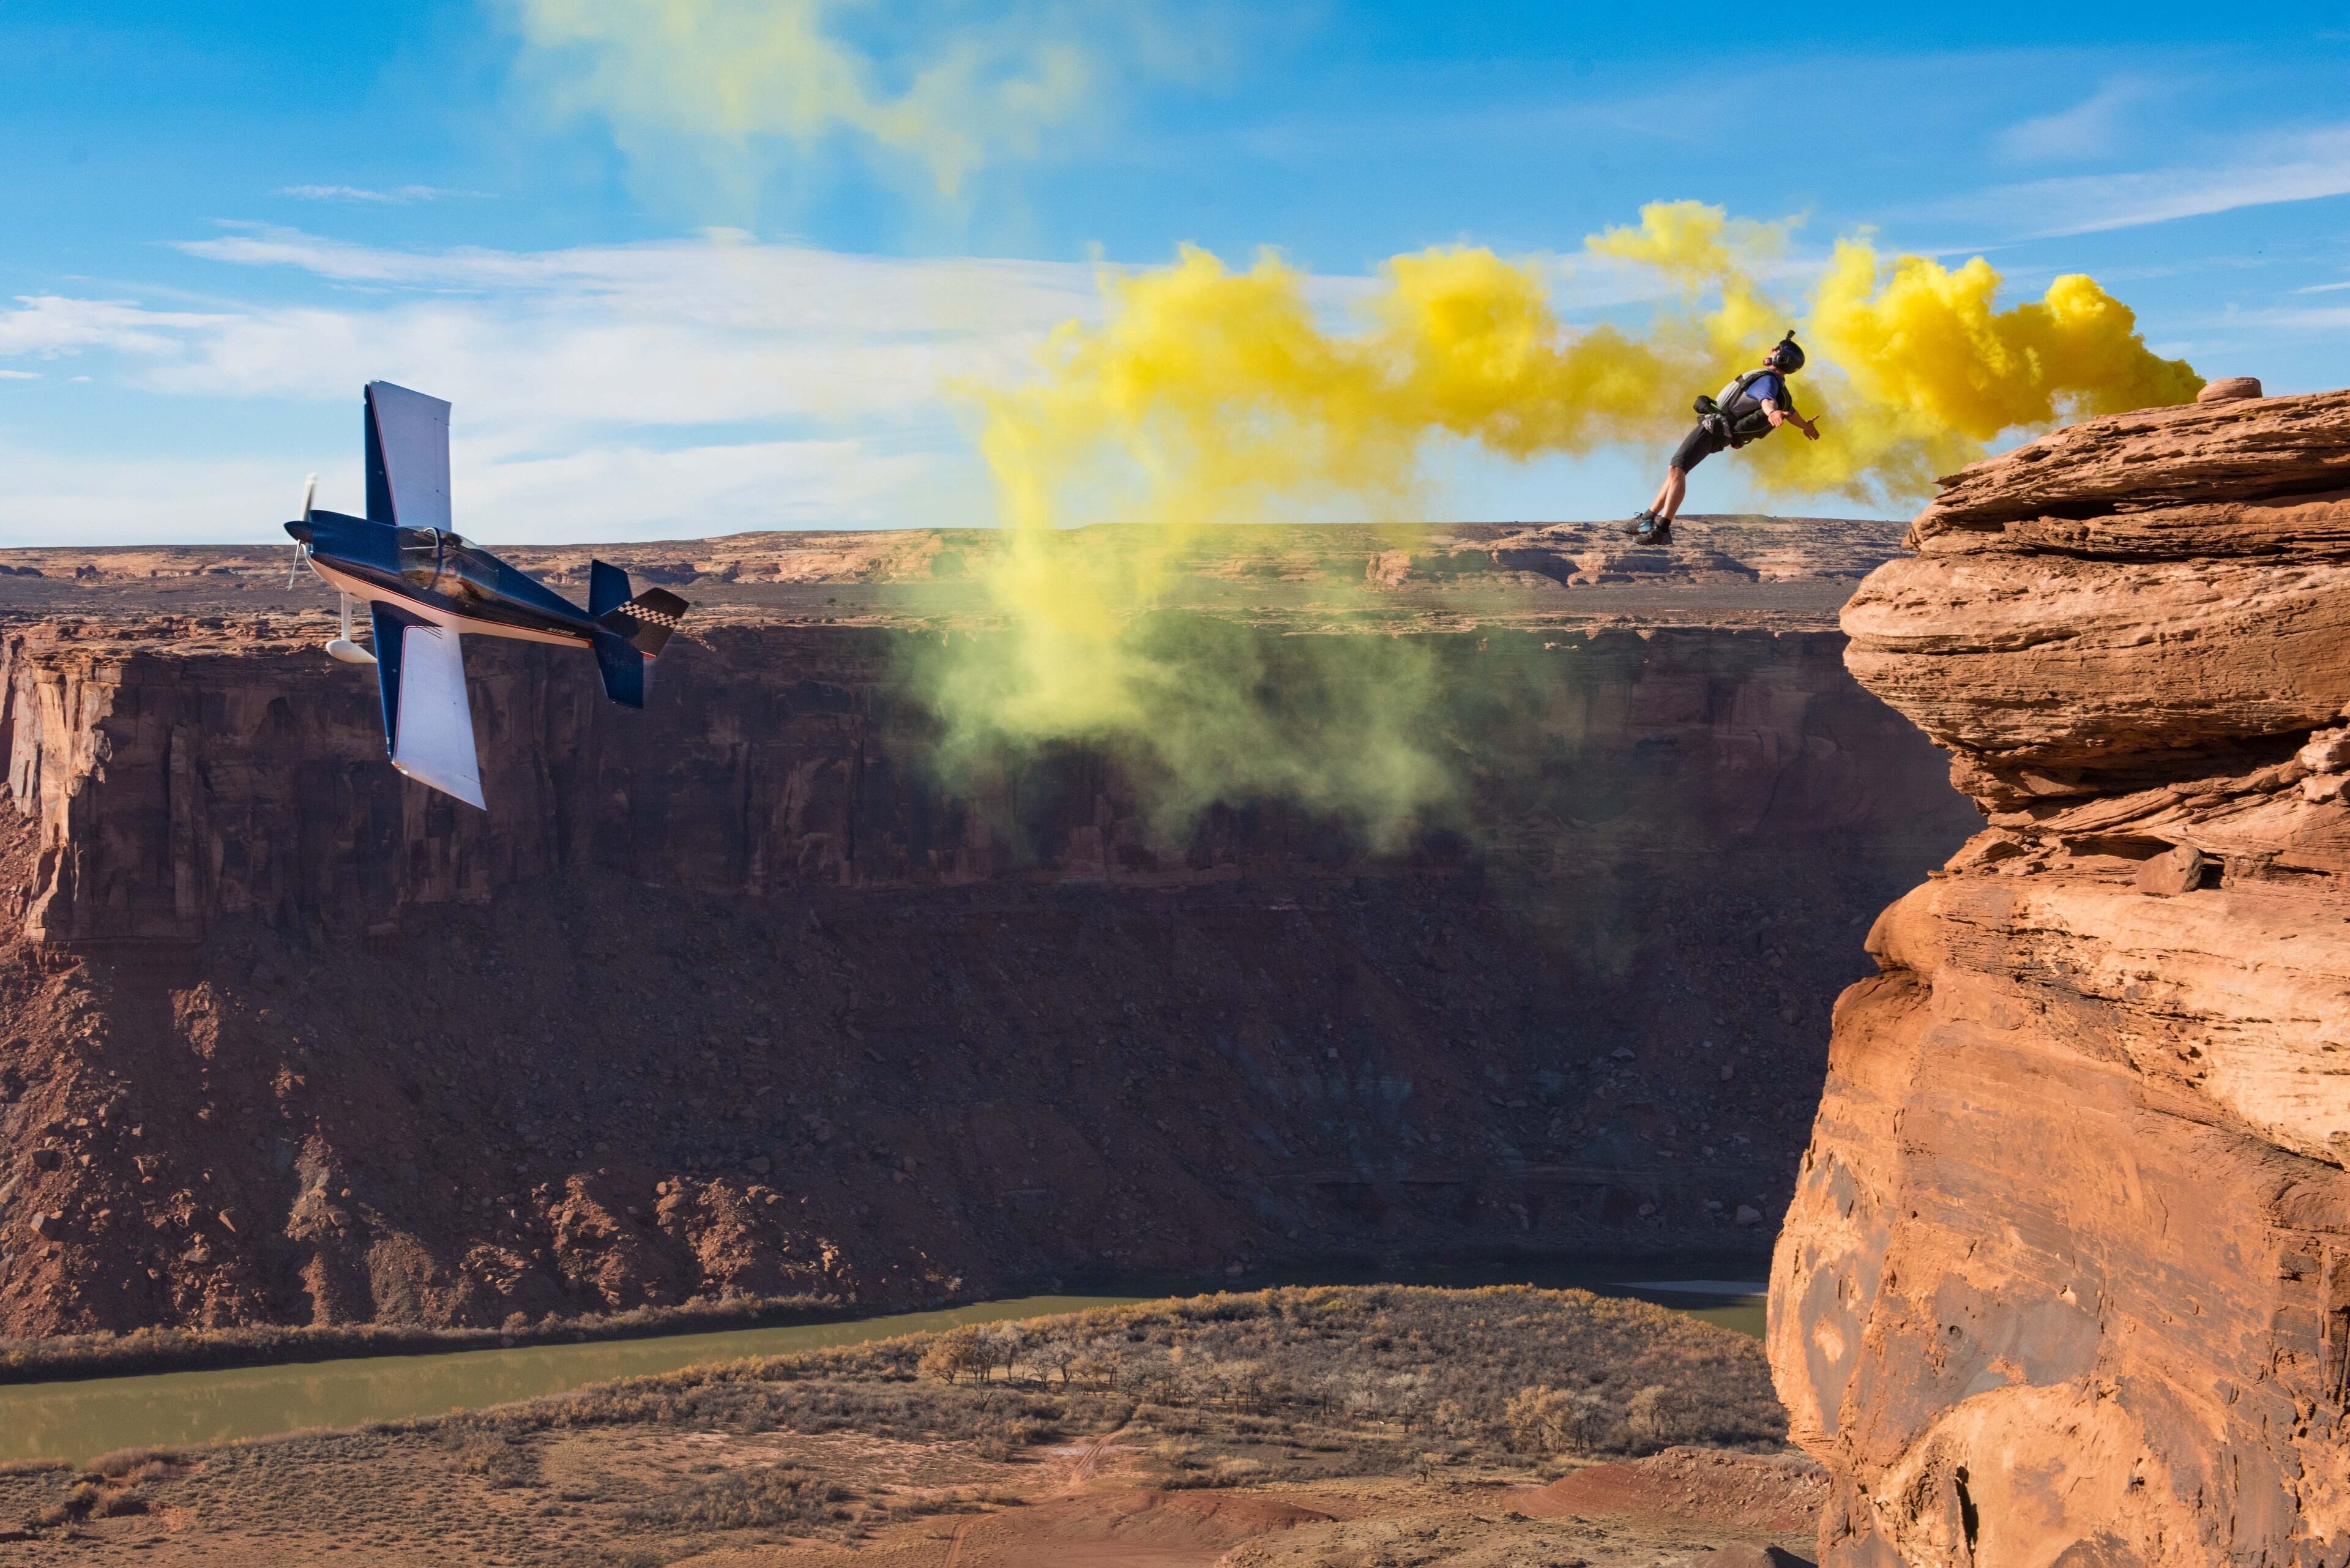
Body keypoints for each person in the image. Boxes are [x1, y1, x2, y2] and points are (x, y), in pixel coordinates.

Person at [1627, 332, 1822, 543]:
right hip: (1720, 432)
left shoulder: (1767, 380)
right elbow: (1791, 411)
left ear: (1782, 358)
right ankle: (1647, 519)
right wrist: (1805, 426)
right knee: (1677, 471)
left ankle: (1662, 529)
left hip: (1713, 428)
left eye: (1776, 349)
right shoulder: (1777, 384)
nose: (1771, 350)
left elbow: (1767, 401)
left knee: (1677, 470)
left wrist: (1772, 412)